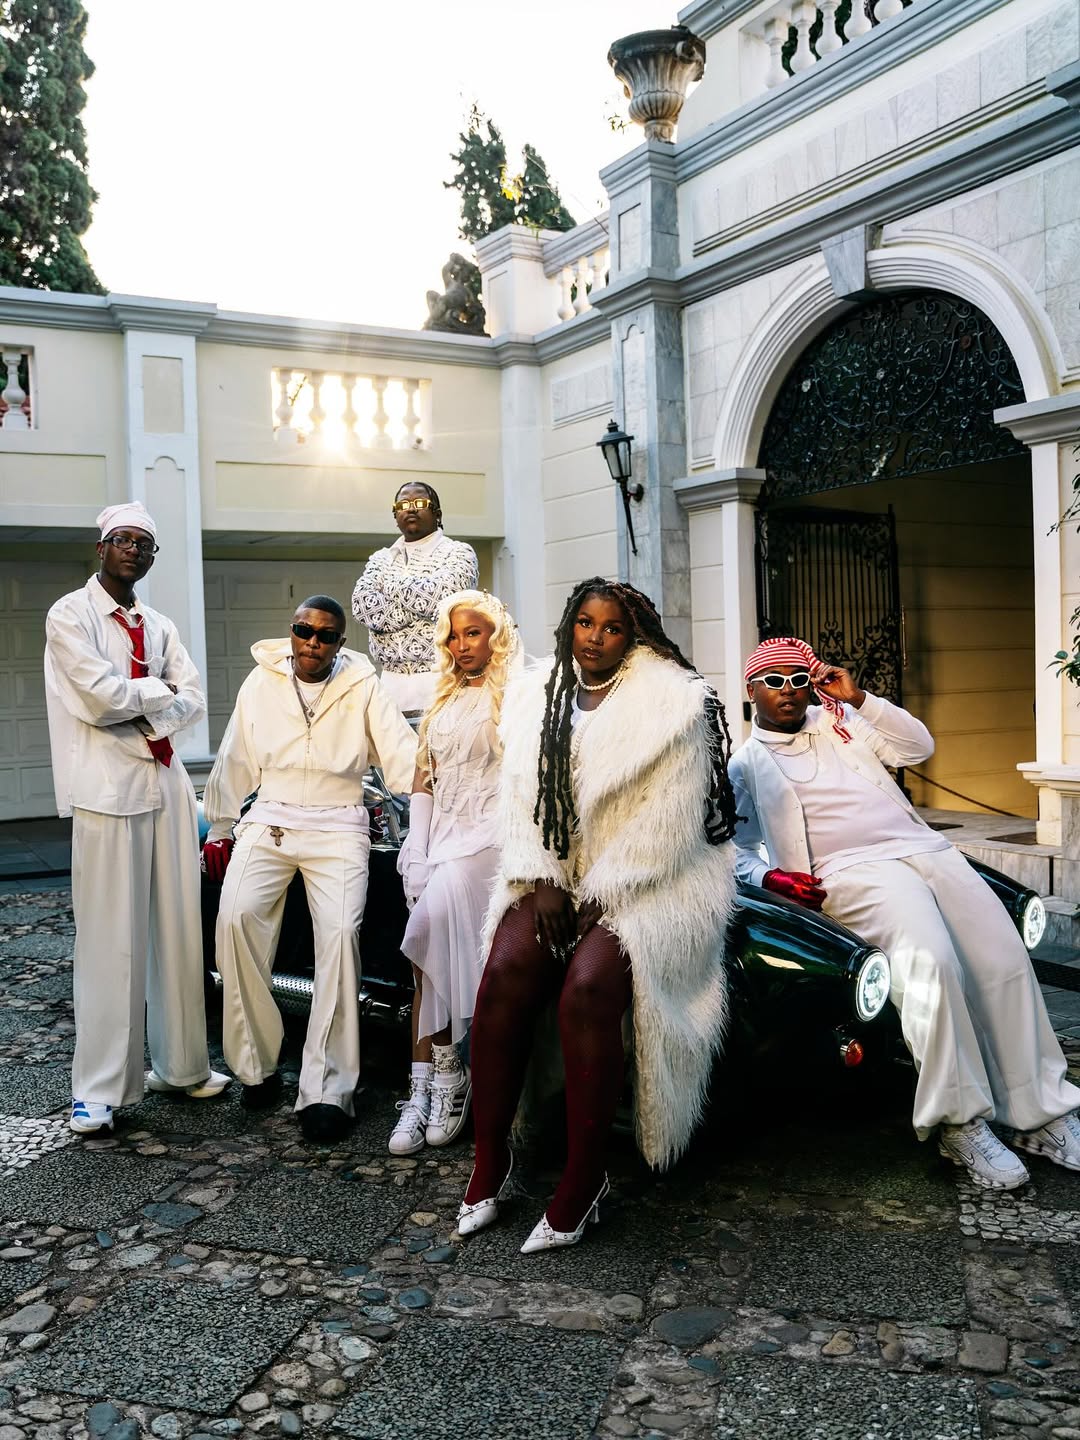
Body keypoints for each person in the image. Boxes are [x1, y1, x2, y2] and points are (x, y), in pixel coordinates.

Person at [730, 636, 1080, 1190]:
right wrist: (769, 877)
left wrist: (860, 698)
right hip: (848, 871)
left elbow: (918, 747)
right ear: (751, 690)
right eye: (774, 681)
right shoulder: (745, 764)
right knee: (931, 965)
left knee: (1003, 957)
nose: (788, 690)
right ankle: (959, 1123)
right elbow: (734, 851)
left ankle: (1042, 1113)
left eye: (798, 679)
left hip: (925, 849)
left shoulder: (842, 720)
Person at [456, 578, 738, 1253]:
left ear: (632, 635)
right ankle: (490, 1158)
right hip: (556, 872)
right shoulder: (537, 693)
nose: (595, 637)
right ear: (570, 625)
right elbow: (520, 800)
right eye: (585, 622)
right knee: (505, 970)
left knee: (588, 986)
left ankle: (585, 1182)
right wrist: (543, 877)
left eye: (611, 628)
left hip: (657, 882)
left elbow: (667, 827)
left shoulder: (675, 704)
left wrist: (603, 892)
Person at [202, 595, 417, 1144]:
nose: (312, 642)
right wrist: (221, 824)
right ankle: (256, 1065)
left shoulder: (364, 684)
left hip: (339, 822)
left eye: (325, 635)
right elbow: (234, 754)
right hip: (270, 816)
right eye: (304, 631)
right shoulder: (262, 681)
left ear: (340, 643)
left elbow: (403, 757)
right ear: (292, 631)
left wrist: (439, 802)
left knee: (340, 937)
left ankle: (328, 1090)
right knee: (235, 920)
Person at [44, 502, 228, 1134]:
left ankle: (182, 1065)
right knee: (109, 940)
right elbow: (98, 698)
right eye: (122, 539)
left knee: (179, 928)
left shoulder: (161, 624)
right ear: (102, 548)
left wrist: (146, 702)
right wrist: (158, 693)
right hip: (105, 789)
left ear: (152, 557)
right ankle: (98, 1089)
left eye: (144, 543)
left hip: (167, 783)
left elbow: (195, 699)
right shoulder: (70, 615)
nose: (134, 549)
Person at [388, 589, 520, 1157]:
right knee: (425, 961)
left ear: (496, 636)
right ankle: (428, 1086)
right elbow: (424, 777)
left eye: (474, 633)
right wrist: (415, 848)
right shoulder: (440, 697)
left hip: (488, 841)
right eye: (454, 635)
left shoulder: (516, 696)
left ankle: (448, 1077)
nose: (461, 645)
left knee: (424, 931)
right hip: (439, 842)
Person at [351, 482, 479, 718]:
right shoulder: (381, 558)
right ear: (395, 515)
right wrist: (421, 607)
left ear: (437, 514)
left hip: (442, 679)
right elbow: (362, 606)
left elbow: (442, 597)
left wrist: (389, 585)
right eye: (403, 505)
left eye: (420, 503)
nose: (410, 509)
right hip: (390, 684)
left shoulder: (459, 552)